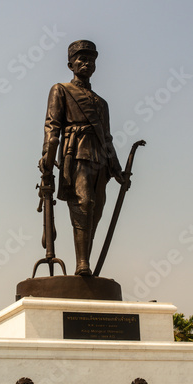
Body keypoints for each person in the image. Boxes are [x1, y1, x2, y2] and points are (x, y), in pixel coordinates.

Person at [39, 40, 124, 276]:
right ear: (70, 64)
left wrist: (118, 170)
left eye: (91, 60)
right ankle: (83, 264)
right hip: (75, 154)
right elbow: (52, 126)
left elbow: (107, 138)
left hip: (100, 160)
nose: (87, 63)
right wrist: (48, 156)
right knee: (83, 204)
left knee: (95, 213)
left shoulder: (102, 104)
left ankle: (84, 260)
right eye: (81, 59)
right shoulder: (61, 90)